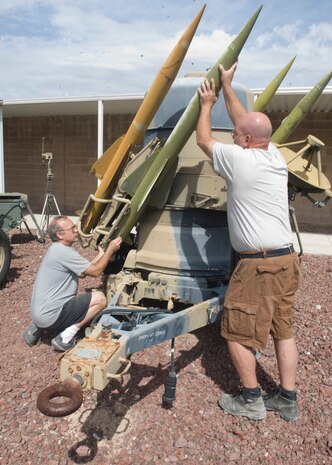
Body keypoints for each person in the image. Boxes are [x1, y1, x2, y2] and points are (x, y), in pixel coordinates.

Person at [196, 62, 301, 421]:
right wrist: (228, 85)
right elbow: (247, 121)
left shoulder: (238, 160)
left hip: (258, 266)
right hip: (287, 261)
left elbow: (203, 140)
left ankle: (252, 398)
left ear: (244, 141)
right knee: (282, 329)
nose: (233, 138)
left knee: (236, 331)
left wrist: (207, 104)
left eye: (237, 136)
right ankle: (287, 399)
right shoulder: (274, 156)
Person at [23, 216, 122, 352]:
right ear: (60, 235)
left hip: (38, 314)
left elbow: (82, 272)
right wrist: (110, 250)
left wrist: (101, 255)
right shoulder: (64, 252)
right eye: (72, 228)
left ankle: (36, 329)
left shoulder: (56, 249)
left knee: (77, 299)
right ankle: (65, 337)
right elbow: (96, 272)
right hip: (50, 316)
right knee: (100, 298)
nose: (76, 231)